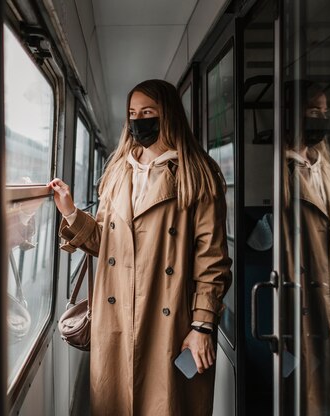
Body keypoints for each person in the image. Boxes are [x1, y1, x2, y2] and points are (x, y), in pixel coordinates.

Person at [49, 79, 232, 415]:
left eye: (147, 112)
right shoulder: (118, 172)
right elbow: (106, 243)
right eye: (133, 113)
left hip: (171, 318)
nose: (138, 121)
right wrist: (71, 213)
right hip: (117, 317)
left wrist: (202, 326)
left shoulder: (196, 174)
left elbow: (212, 260)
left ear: (169, 116)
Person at [281, 81, 330, 414]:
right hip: (301, 284)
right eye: (313, 111)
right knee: (305, 383)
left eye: (324, 112)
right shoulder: (280, 167)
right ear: (293, 114)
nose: (320, 119)